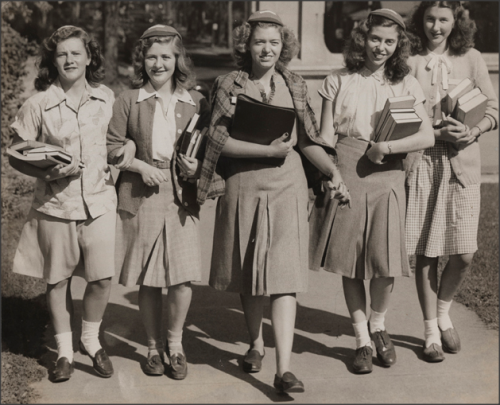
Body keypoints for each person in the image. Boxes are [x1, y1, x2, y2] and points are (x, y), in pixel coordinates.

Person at [196, 10, 348, 394]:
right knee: (250, 272)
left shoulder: (293, 83)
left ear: (284, 47)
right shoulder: (229, 83)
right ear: (246, 45)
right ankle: (254, 343)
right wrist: (264, 150)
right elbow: (217, 141)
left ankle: (284, 369)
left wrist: (333, 173)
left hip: (287, 186)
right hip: (243, 184)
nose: (267, 48)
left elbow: (308, 139)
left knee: (283, 277)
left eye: (274, 42)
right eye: (260, 41)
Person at [309, 9, 434, 374]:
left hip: (388, 171)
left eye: (389, 42)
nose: (381, 47)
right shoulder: (339, 79)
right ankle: (362, 339)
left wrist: (387, 149)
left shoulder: (406, 83)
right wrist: (331, 172)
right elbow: (327, 134)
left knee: (384, 260)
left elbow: (425, 135)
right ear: (361, 39)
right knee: (351, 261)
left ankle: (379, 326)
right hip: (347, 169)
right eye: (375, 39)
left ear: (398, 46)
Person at [9, 26, 123, 382]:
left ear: (90, 58)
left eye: (77, 53)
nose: (70, 59)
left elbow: (122, 141)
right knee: (57, 282)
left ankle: (90, 339)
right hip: (56, 205)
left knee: (102, 279)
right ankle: (64, 352)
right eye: (62, 54)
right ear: (53, 60)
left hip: (100, 201)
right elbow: (16, 152)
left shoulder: (107, 98)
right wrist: (47, 169)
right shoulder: (38, 103)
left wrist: (126, 152)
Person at [106, 25, 210, 380]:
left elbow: (210, 148)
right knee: (150, 279)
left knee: (182, 279)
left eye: (166, 56)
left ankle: (176, 344)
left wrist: (196, 168)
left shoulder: (195, 101)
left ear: (178, 59)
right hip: (143, 193)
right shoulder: (128, 100)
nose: (158, 63)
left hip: (182, 196)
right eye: (151, 56)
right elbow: (110, 148)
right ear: (142, 60)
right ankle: (152, 346)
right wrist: (138, 166)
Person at [405, 2, 498, 362]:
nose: (435, 27)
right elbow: (398, 109)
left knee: (464, 253)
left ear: (455, 22)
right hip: (424, 163)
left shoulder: (471, 58)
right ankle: (430, 332)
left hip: (462, 164)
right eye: (429, 19)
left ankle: (444, 312)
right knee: (427, 252)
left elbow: (492, 108)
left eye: (443, 19)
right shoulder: (411, 60)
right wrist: (429, 128)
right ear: (421, 21)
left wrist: (471, 130)